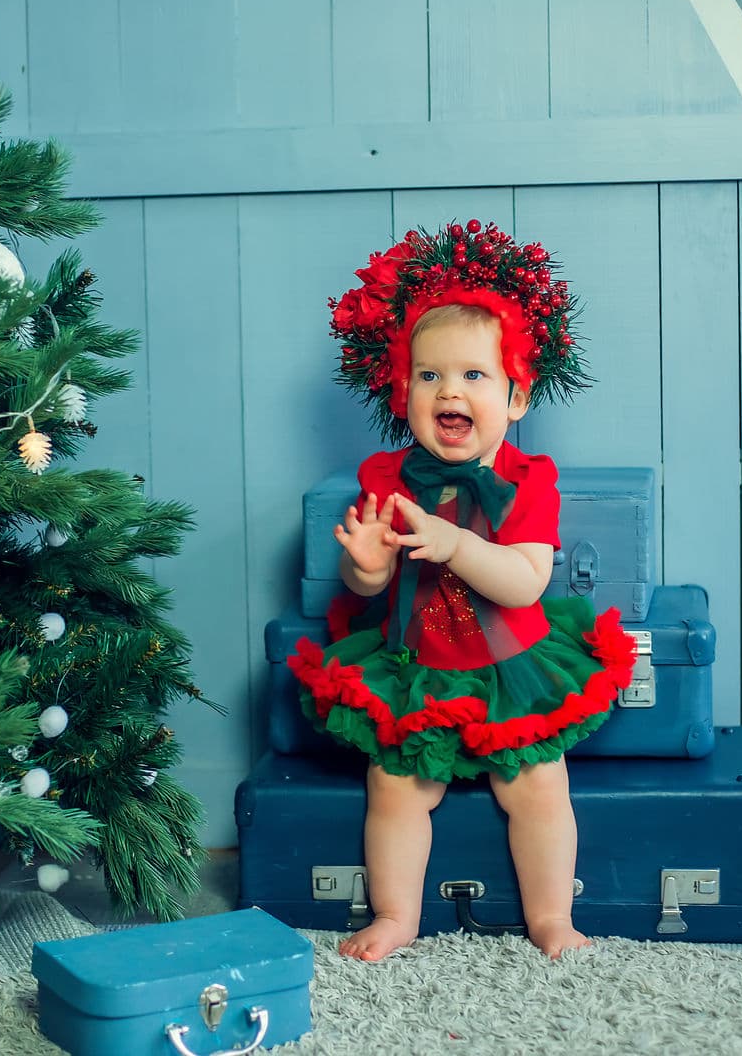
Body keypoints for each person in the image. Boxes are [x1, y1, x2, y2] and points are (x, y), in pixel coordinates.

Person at [288, 221, 637, 961]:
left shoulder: (526, 480)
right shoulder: (386, 478)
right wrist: (367, 565)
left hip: (512, 667)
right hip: (416, 664)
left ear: (515, 397)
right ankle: (395, 915)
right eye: (430, 376)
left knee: (539, 786)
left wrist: (457, 544)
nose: (450, 390)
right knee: (395, 785)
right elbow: (370, 584)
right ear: (403, 389)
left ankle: (550, 918)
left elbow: (526, 580)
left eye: (474, 376)